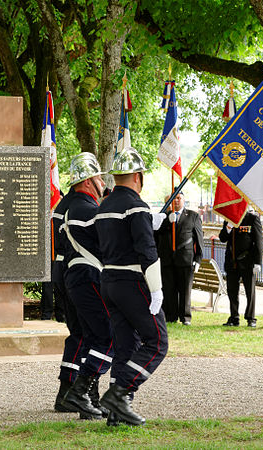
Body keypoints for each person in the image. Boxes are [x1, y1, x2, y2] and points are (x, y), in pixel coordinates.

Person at [95, 147, 168, 426]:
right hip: (132, 282)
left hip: (109, 282)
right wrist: (156, 289)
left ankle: (116, 414)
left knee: (126, 346)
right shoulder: (136, 206)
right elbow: (147, 252)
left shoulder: (104, 207)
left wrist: (149, 221)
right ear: (138, 177)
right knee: (157, 342)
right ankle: (120, 392)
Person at [59, 152, 113, 420]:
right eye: (99, 177)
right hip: (88, 276)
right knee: (109, 335)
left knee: (93, 338)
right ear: (89, 181)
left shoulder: (77, 207)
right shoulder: (87, 208)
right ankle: (82, 392)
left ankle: (89, 399)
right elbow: (109, 240)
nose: (103, 182)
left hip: (78, 277)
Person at [51, 189, 85, 412]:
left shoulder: (63, 205)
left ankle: (67, 389)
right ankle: (72, 390)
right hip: (73, 271)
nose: (102, 182)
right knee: (84, 333)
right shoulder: (80, 206)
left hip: (60, 269)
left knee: (77, 334)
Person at [155, 192, 203, 326]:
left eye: (179, 198)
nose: (176, 201)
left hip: (185, 259)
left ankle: (185, 317)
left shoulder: (193, 216)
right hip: (167, 259)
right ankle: (170, 316)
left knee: (185, 290)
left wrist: (198, 259)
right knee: (168, 289)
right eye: (173, 198)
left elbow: (199, 239)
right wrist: (166, 221)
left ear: (184, 200)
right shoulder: (162, 215)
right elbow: (155, 233)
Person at [219, 209, 263, 327]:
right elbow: (222, 238)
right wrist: (228, 228)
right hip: (232, 262)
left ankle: (251, 318)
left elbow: (258, 242)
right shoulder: (229, 219)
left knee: (250, 291)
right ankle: (234, 317)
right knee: (232, 291)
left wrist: (258, 262)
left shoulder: (252, 219)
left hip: (247, 261)